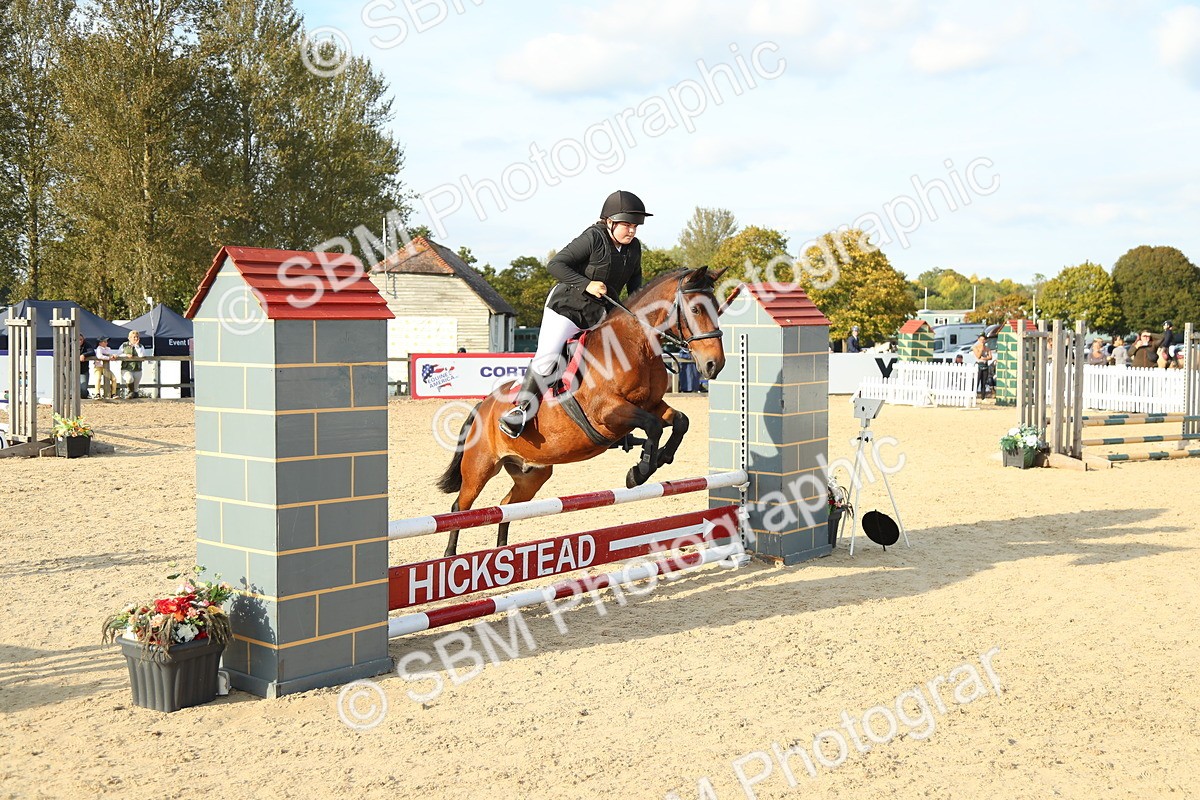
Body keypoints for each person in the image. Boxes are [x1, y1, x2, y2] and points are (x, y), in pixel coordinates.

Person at [498, 190, 650, 438]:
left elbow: (635, 286)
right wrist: (586, 284)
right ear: (609, 222)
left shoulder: (634, 249)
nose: (631, 231)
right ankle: (520, 410)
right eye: (626, 225)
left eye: (634, 226)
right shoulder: (593, 237)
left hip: (599, 313)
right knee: (548, 358)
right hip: (567, 308)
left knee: (615, 356)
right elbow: (556, 264)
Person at [118, 330, 146, 399]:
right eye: (134, 337)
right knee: (129, 379)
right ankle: (130, 393)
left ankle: (134, 401)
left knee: (135, 389)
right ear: (129, 338)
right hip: (126, 368)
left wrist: (137, 346)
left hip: (137, 368)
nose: (136, 339)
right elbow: (118, 354)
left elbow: (141, 356)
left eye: (137, 337)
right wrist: (126, 355)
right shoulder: (124, 345)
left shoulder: (141, 346)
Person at [77, 333, 95, 399]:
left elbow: (92, 352)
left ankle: (84, 396)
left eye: (81, 339)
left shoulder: (87, 344)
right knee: (73, 387)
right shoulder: (70, 345)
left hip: (83, 370)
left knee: (83, 388)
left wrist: (84, 355)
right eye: (78, 340)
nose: (80, 341)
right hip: (71, 370)